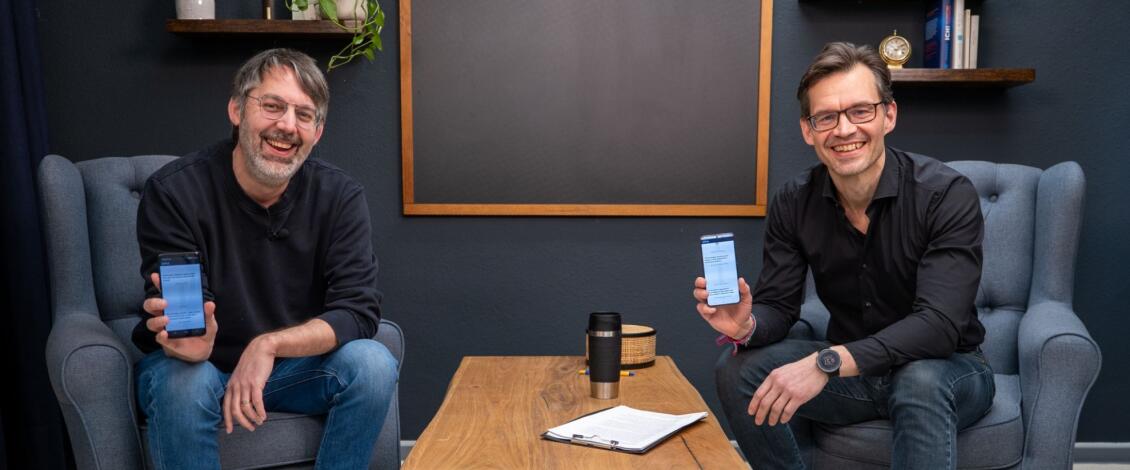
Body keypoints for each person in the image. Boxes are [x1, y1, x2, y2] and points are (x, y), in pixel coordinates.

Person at [693, 42, 995, 469]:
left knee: (919, 380)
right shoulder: (794, 201)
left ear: (889, 115)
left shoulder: (945, 194)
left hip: (949, 370)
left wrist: (826, 362)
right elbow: (779, 305)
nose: (844, 129)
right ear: (808, 130)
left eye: (860, 111)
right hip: (855, 377)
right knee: (737, 368)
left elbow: (939, 326)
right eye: (827, 117)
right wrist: (747, 325)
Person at [132, 48, 398, 470]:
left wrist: (268, 345)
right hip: (197, 368)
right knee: (185, 381)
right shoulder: (175, 192)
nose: (287, 125)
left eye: (304, 115)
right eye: (272, 106)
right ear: (237, 110)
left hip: (290, 373)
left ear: (317, 132)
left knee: (373, 363)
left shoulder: (340, 197)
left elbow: (357, 311)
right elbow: (187, 324)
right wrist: (191, 342)